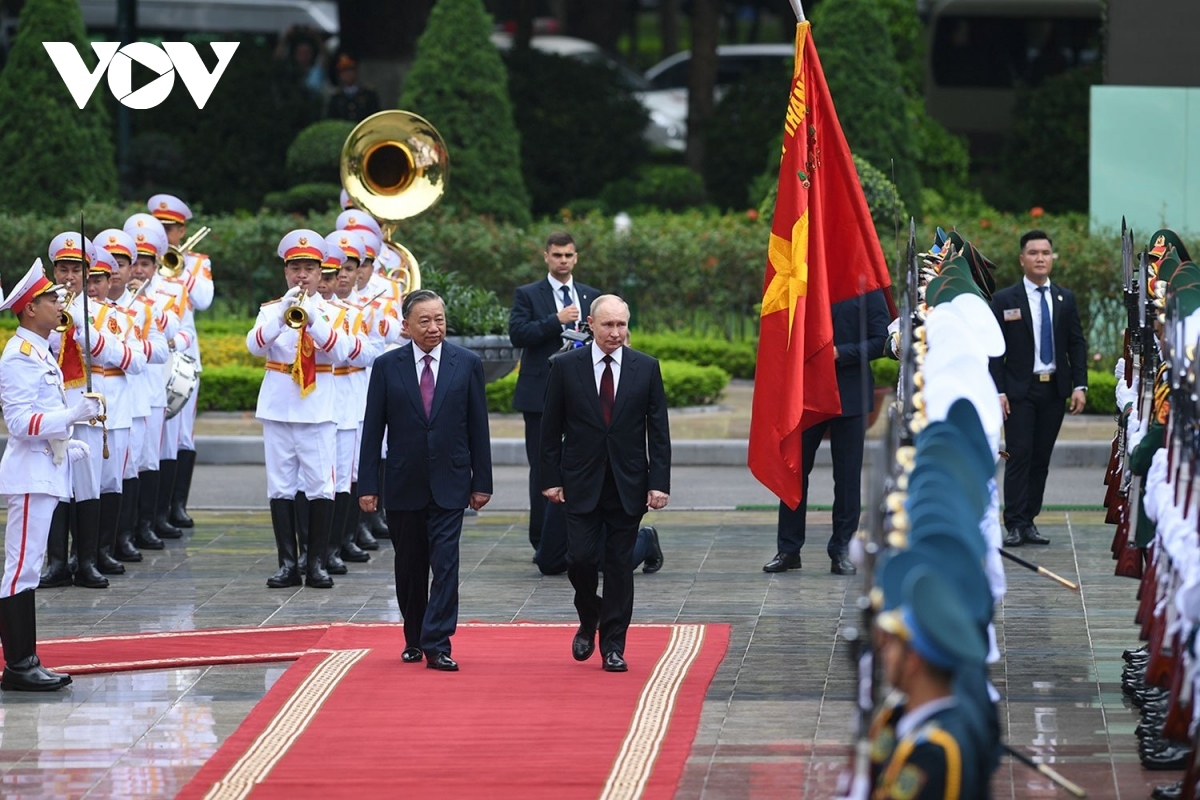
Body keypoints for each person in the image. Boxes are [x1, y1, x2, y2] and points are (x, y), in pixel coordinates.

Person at [358, 289, 493, 672]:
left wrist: (481, 480)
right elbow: (372, 430)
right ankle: (414, 635)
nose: (434, 328)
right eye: (425, 321)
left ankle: (438, 641)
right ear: (406, 326)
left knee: (446, 562)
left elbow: (478, 426)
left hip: (451, 481)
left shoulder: (466, 363)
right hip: (404, 482)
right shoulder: (387, 367)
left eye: (440, 320)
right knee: (410, 566)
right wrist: (368, 485)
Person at [540, 295, 671, 672]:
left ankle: (613, 645)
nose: (616, 333)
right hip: (579, 481)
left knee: (617, 567)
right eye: (608, 325)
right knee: (579, 559)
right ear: (591, 326)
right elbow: (550, 429)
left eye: (621, 325)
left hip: (628, 482)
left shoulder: (646, 368)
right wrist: (550, 478)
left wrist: (658, 482)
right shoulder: (565, 367)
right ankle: (589, 615)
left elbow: (658, 431)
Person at [0, 260, 100, 690]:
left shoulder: (41, 351)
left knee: (29, 567)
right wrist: (71, 416)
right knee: (20, 568)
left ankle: (26, 658)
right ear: (28, 310)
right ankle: (19, 664)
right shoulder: (19, 356)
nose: (57, 302)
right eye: (48, 299)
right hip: (28, 473)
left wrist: (66, 441)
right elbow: (20, 422)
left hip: (44, 467)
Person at [247, 230, 354, 589]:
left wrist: (313, 318)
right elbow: (254, 346)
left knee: (320, 486)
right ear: (286, 271)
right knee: (280, 486)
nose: (302, 276)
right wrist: (282, 316)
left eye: (309, 268)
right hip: (278, 408)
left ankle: (317, 563)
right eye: (295, 268)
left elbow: (340, 353)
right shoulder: (270, 309)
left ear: (322, 273)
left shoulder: (333, 312)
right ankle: (287, 563)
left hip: (318, 409)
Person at [763, 289, 890, 576]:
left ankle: (842, 548)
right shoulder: (803, 280)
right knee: (794, 472)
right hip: (806, 395)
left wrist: (840, 353)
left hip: (850, 394)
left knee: (846, 476)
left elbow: (882, 340)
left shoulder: (864, 287)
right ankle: (788, 549)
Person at [988, 230, 1087, 548]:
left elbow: (1076, 343)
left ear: (1052, 258)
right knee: (1018, 455)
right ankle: (1014, 523)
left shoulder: (1065, 298)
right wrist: (998, 391)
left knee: (1041, 458)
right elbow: (994, 350)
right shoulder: (1005, 300)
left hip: (1053, 391)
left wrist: (1080, 385)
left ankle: (1030, 520)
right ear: (1022, 259)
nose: (1040, 258)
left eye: (1046, 252)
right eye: (1033, 253)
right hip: (1019, 392)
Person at [509, 232, 601, 559]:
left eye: (569, 255)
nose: (563, 260)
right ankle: (542, 542)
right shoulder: (528, 294)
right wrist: (555, 321)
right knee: (543, 469)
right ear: (546, 256)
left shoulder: (592, 296)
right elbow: (518, 334)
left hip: (581, 397)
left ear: (576, 258)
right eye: (557, 255)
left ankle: (578, 539)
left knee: (583, 467)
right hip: (540, 396)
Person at [148, 194, 214, 532]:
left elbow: (203, 300)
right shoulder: (142, 260)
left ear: (181, 229)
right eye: (157, 226)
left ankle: (176, 505)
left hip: (184, 357)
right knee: (154, 436)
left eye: (168, 228)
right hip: (153, 353)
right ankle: (154, 511)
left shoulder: (197, 261)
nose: (163, 233)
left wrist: (182, 265)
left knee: (181, 435)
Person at [325, 54, 381, 123]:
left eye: (350, 70)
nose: (347, 74)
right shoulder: (336, 97)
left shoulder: (368, 94)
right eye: (344, 72)